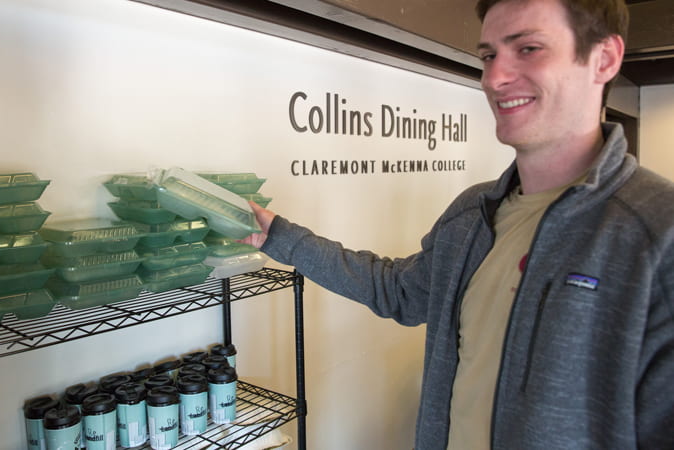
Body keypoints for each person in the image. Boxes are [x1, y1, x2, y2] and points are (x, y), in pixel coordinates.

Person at [240, 0, 674, 448]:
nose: (495, 78)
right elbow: (399, 291)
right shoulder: (473, 215)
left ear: (604, 59)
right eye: (489, 56)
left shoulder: (656, 234)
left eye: (528, 48)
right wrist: (279, 237)